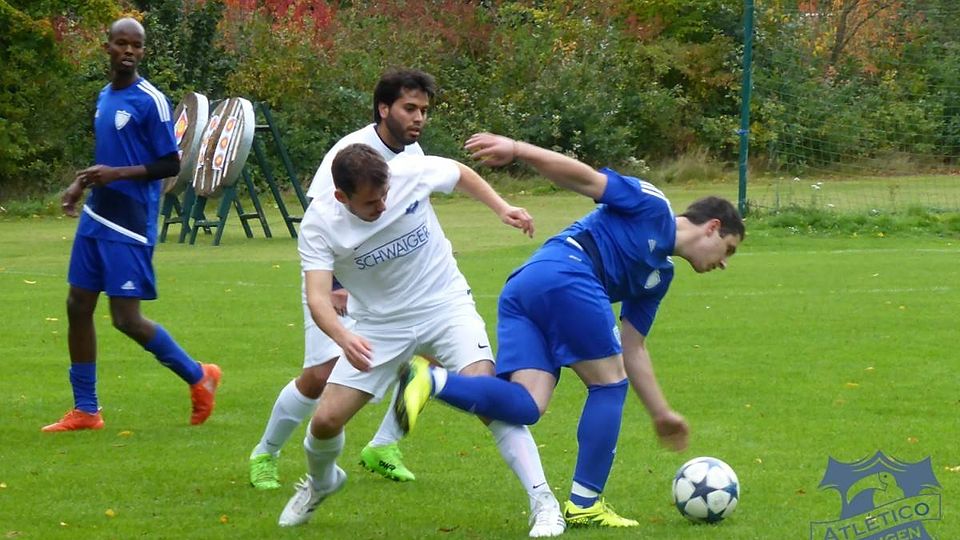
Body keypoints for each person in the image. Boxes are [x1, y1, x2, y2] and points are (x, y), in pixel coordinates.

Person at [395, 132, 745, 528]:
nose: (724, 263)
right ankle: (584, 503)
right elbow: (584, 179)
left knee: (527, 405)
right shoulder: (652, 205)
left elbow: (634, 348)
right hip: (568, 272)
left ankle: (431, 379)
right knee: (609, 384)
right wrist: (518, 150)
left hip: (526, 287)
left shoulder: (658, 277)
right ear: (712, 227)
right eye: (729, 249)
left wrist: (660, 412)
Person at [277, 143, 567, 538]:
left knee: (487, 394)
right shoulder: (319, 224)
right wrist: (343, 337)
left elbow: (460, 172)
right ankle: (322, 482)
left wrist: (502, 207)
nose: (382, 206)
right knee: (326, 421)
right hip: (379, 325)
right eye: (370, 203)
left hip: (445, 306)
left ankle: (544, 503)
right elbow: (317, 297)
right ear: (342, 197)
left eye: (385, 196)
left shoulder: (409, 172)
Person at [249, 69, 440, 489]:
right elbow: (323, 220)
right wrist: (336, 285)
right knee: (320, 375)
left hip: (387, 283)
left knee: (432, 358)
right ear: (384, 108)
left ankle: (384, 445)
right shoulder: (350, 153)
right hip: (337, 279)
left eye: (424, 110)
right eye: (410, 108)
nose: (418, 118)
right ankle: (266, 452)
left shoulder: (413, 152)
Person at [46, 17, 221, 432]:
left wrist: (116, 175)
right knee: (77, 306)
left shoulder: (151, 101)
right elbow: (109, 155)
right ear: (107, 47)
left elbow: (170, 164)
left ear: (143, 52)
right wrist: (81, 184)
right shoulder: (105, 96)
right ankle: (86, 409)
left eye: (136, 45)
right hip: (97, 215)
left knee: (125, 318)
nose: (128, 51)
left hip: (129, 222)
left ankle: (199, 375)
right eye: (121, 43)